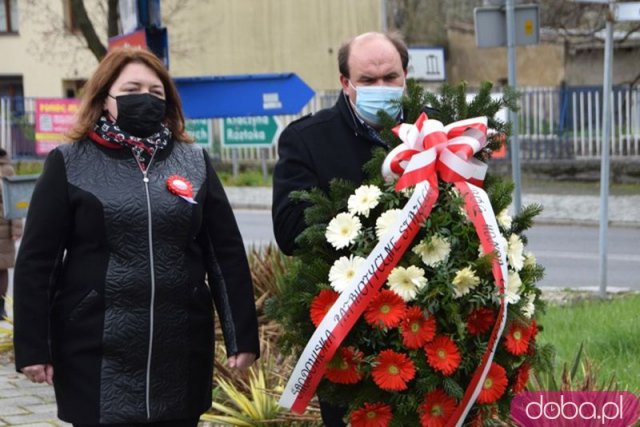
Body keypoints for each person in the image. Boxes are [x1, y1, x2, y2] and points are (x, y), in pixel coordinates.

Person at [13, 47, 259, 427]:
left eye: (156, 92)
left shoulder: (193, 162)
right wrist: (33, 346)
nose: (145, 97)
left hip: (179, 346)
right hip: (94, 346)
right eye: (132, 88)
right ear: (105, 97)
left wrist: (241, 336)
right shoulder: (69, 162)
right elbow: (37, 262)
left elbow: (224, 252)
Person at [272, 31, 408, 427]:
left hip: (433, 323)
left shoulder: (434, 130)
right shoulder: (307, 140)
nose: (381, 88)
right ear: (345, 83)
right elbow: (290, 231)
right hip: (350, 331)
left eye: (390, 78)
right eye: (367, 80)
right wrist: (370, 212)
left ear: (405, 76)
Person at [0, 147, 22, 319]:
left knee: (1, 269)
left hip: (3, 227)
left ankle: (1, 308)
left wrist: (16, 228)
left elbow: (15, 199)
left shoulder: (6, 169)